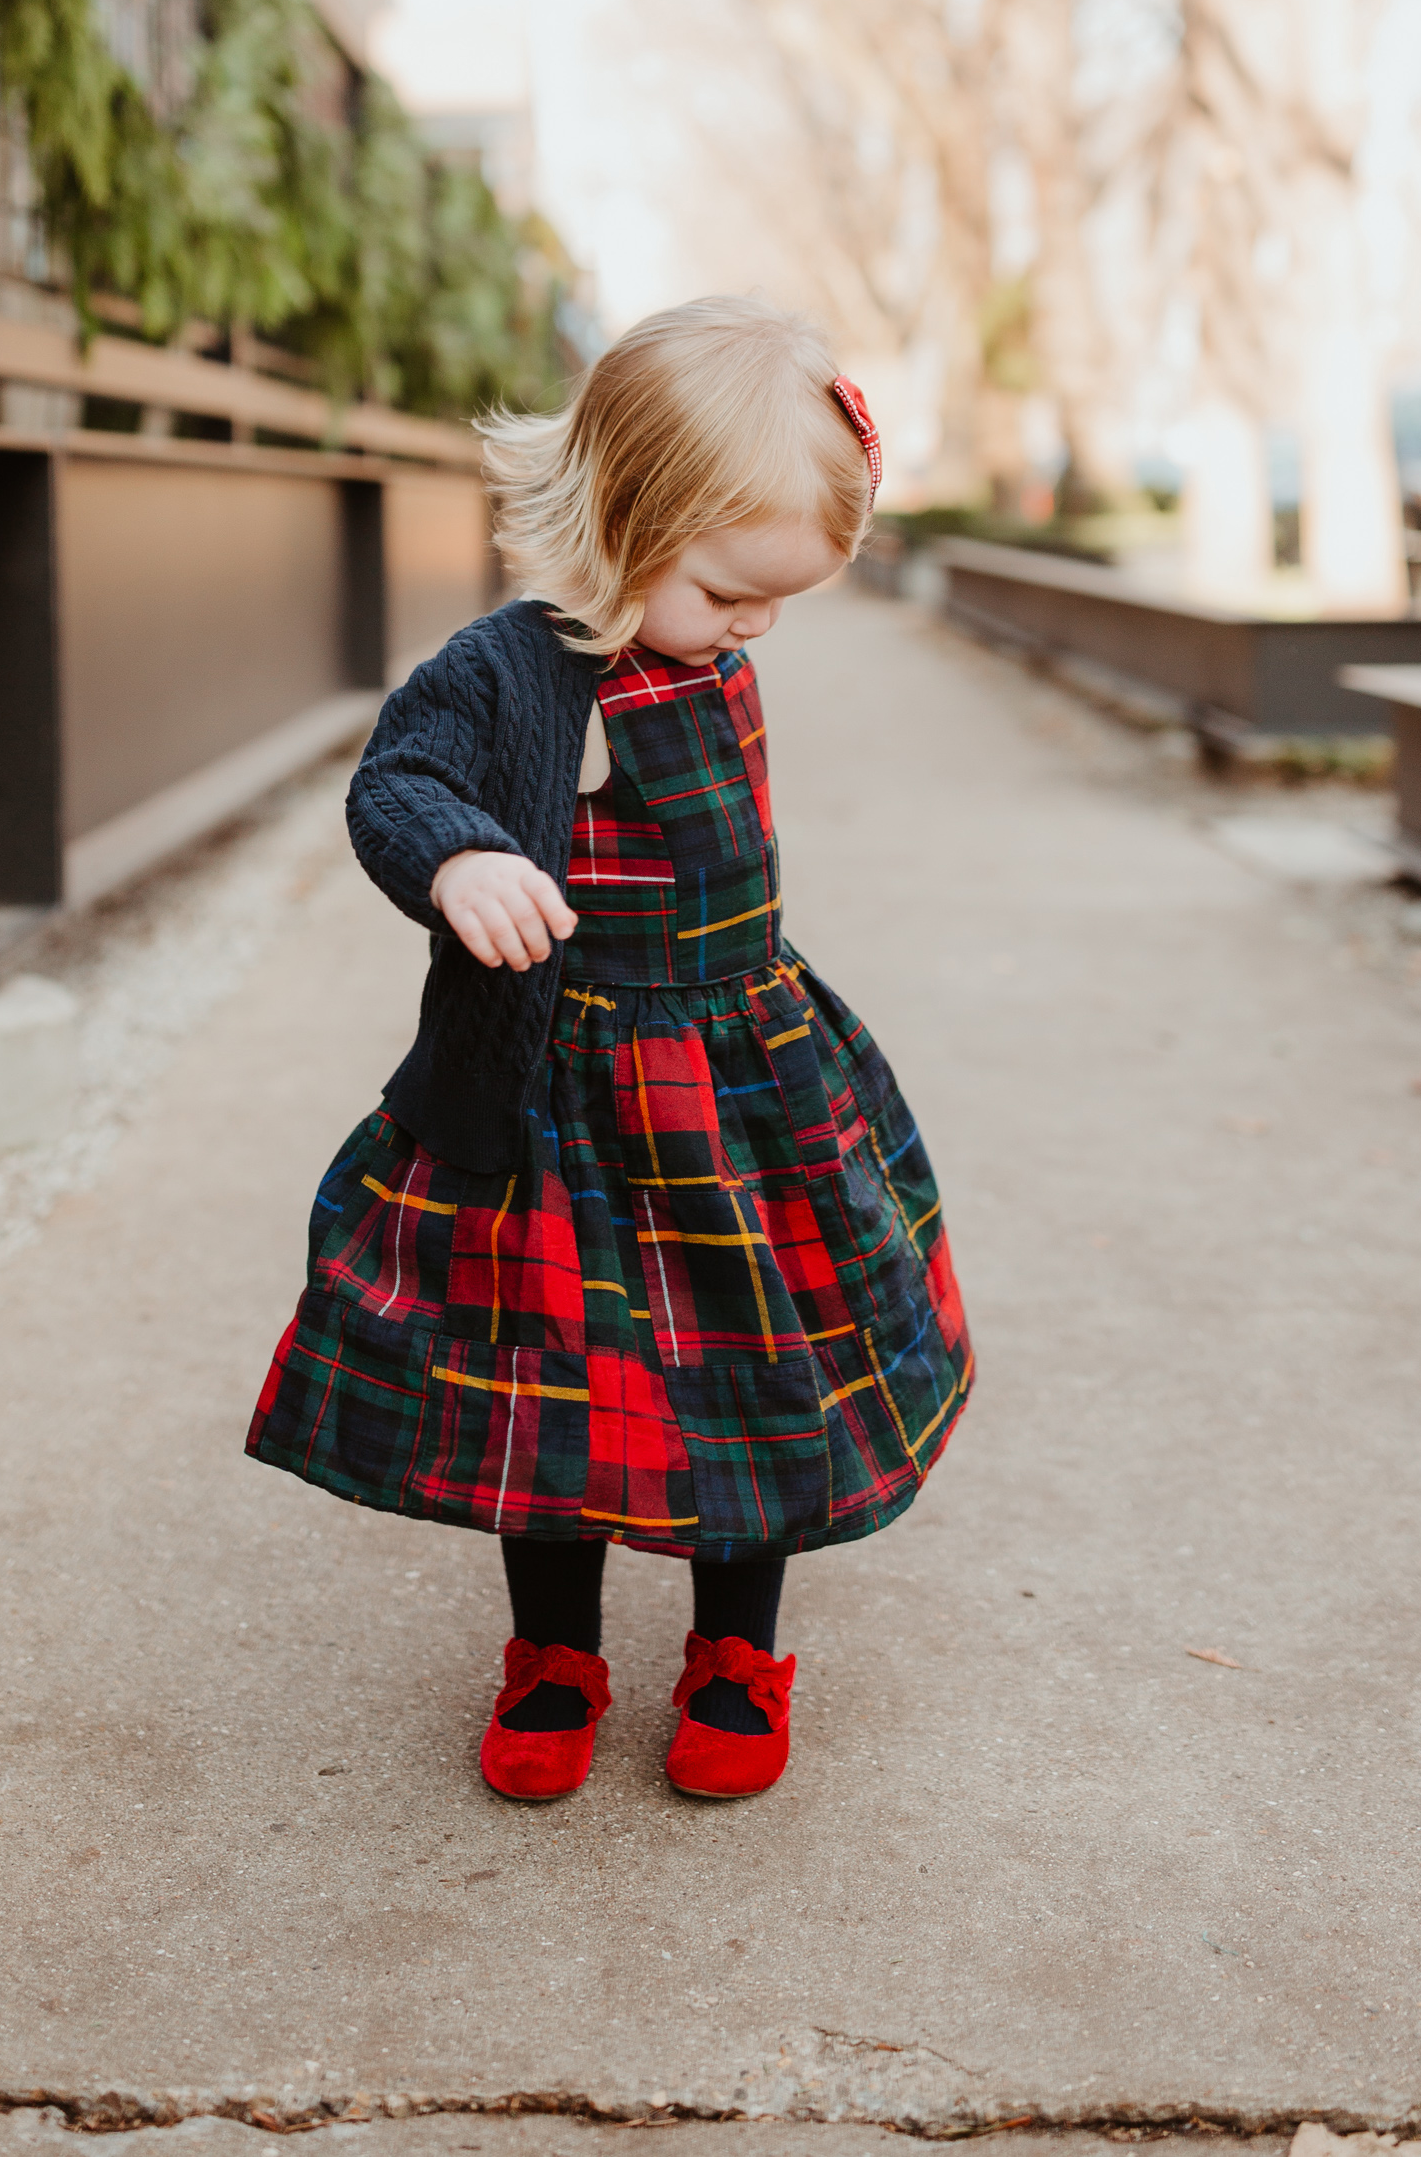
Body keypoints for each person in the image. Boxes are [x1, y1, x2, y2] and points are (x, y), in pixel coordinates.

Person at [246, 295, 972, 1801]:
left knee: (749, 1365)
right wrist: (458, 862)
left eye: (781, 604)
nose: (753, 629)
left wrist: (722, 617)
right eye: (728, 594)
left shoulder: (706, 639)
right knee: (550, 1387)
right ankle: (557, 1651)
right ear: (621, 519)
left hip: (738, 1081)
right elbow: (400, 779)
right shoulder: (514, 669)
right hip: (557, 1091)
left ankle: (737, 1652)